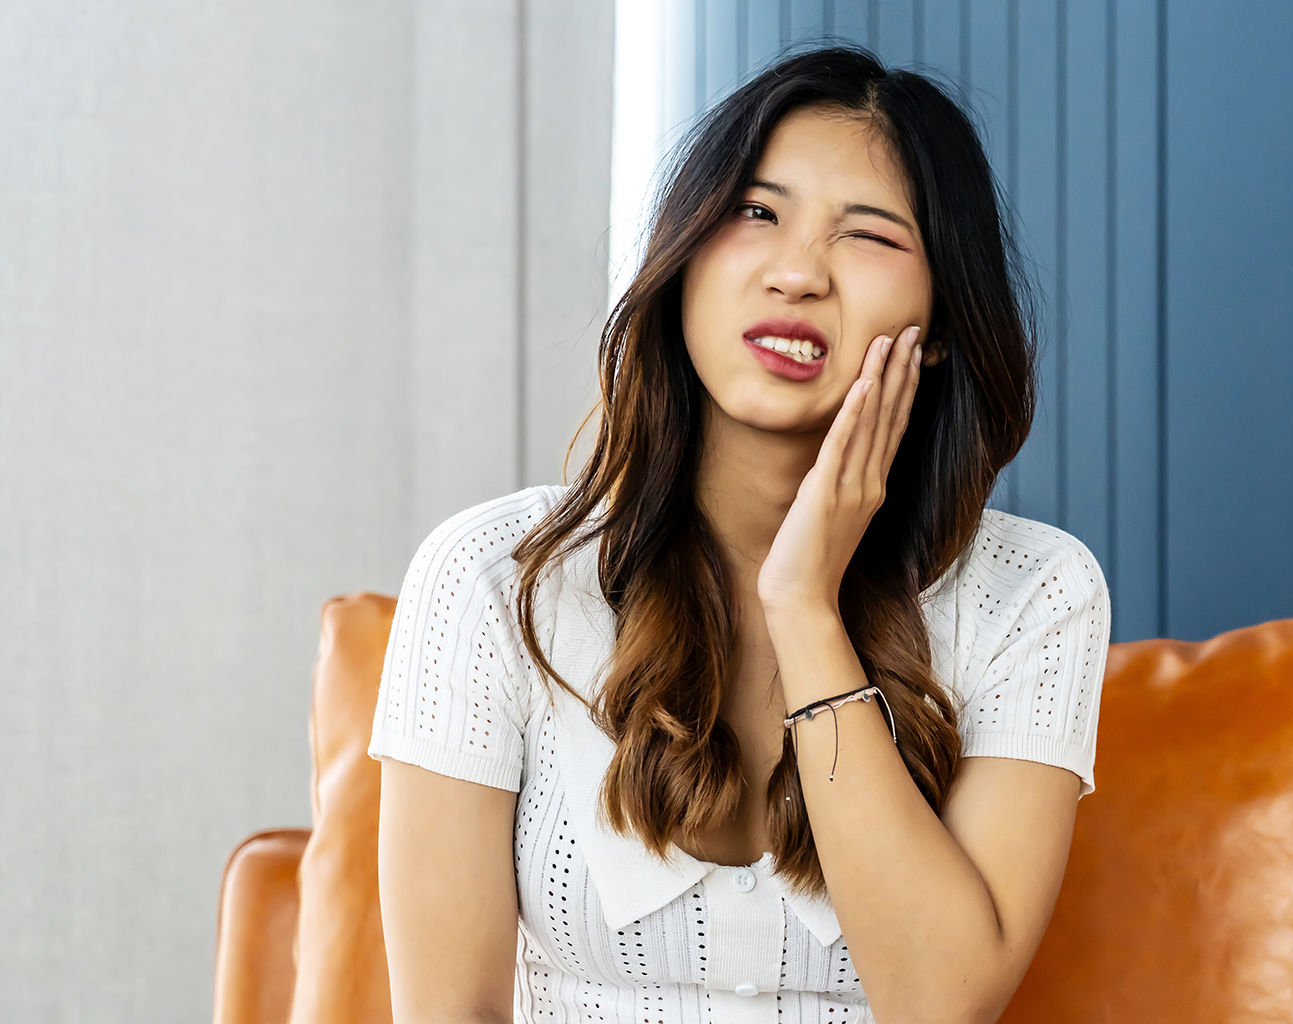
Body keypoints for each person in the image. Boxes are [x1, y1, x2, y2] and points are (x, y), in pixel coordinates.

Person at [371, 46, 1109, 1024]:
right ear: (681, 262)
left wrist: (806, 608)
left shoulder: (1037, 594)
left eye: (869, 236)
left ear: (935, 326)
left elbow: (939, 1003)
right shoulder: (494, 578)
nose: (798, 272)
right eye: (756, 212)